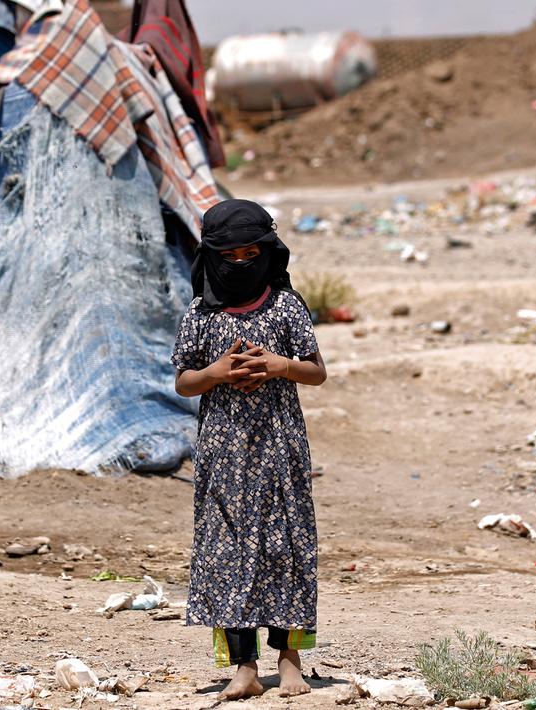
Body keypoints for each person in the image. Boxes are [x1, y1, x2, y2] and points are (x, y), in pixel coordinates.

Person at [170, 199, 327, 700]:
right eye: (229, 256)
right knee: (228, 552)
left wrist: (280, 366)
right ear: (211, 256)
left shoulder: (286, 306)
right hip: (223, 450)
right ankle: (244, 668)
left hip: (280, 445)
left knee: (287, 547)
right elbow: (184, 381)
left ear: (268, 251)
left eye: (250, 254)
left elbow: (316, 371)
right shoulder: (200, 312)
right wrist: (217, 373)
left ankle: (290, 662)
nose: (240, 263)